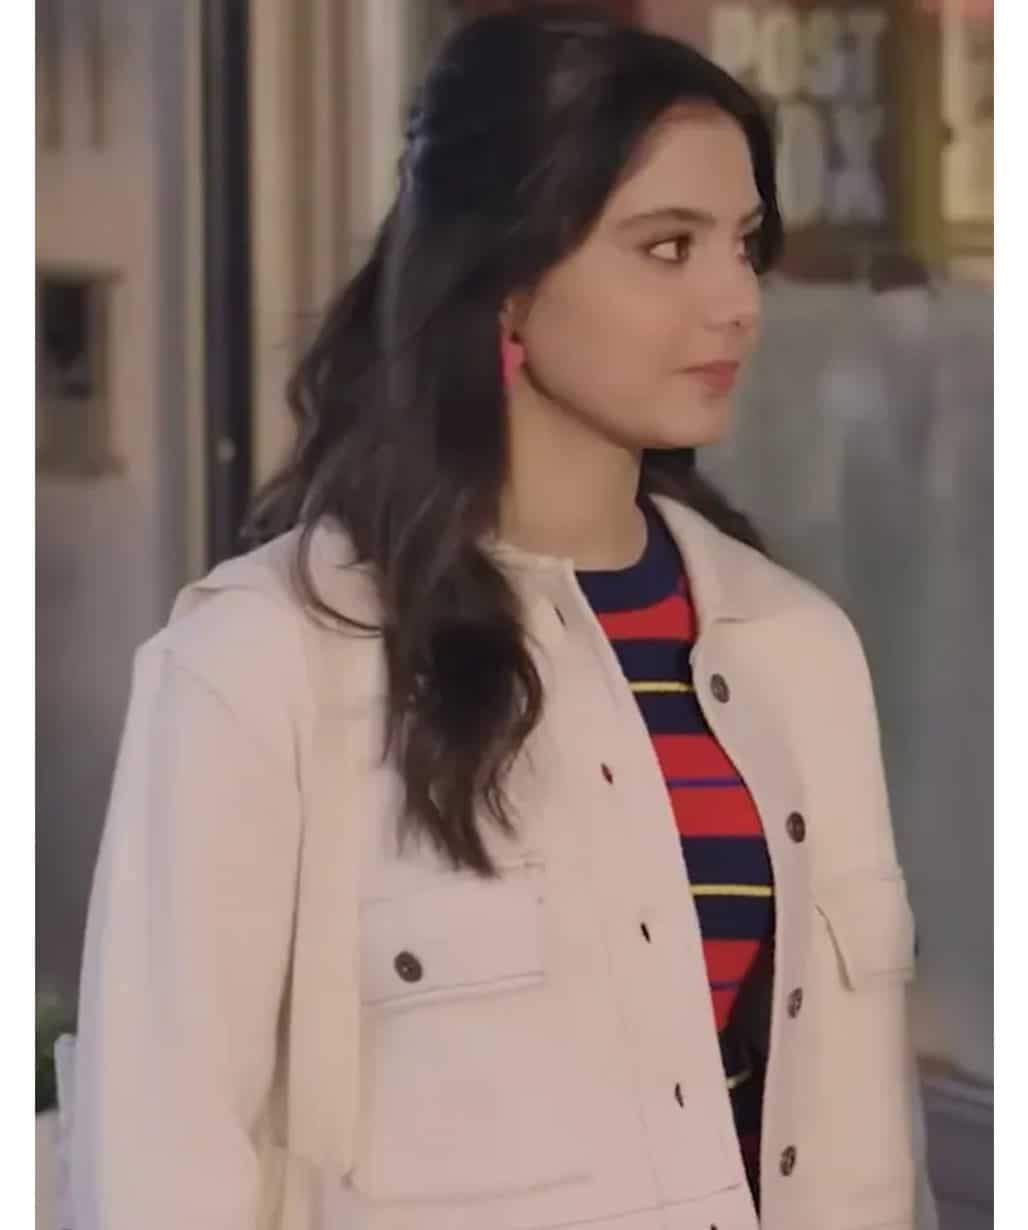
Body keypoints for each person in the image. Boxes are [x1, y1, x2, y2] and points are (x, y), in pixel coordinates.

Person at [70, 5, 934, 1229]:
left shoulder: (796, 651)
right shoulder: (264, 664)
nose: (737, 300)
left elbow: (862, 1143)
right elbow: (157, 1168)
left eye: (743, 244)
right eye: (666, 247)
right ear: (506, 286)